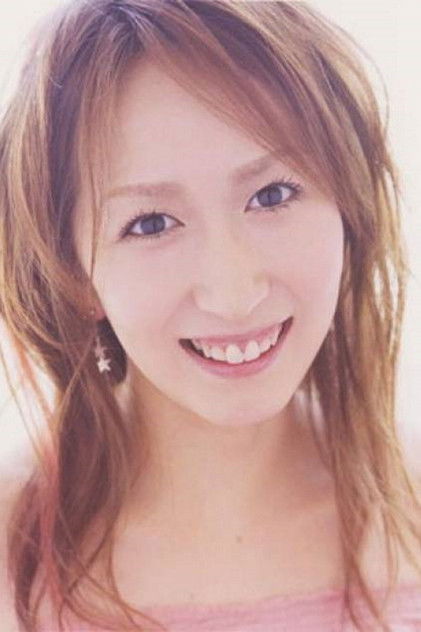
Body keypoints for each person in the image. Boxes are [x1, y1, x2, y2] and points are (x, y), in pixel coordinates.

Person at [0, 0, 420, 630]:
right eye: (151, 224)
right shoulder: (14, 546)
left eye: (272, 194)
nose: (234, 293)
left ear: (348, 205)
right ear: (75, 273)